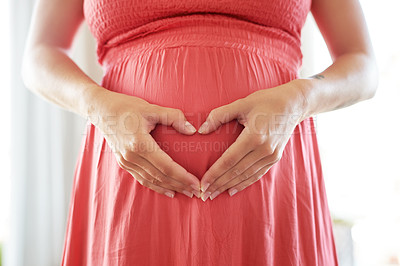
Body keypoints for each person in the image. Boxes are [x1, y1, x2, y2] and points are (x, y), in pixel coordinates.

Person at [21, 0, 378, 265]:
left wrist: (301, 98)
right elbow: (40, 54)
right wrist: (97, 105)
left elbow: (362, 65)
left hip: (271, 182)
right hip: (130, 175)